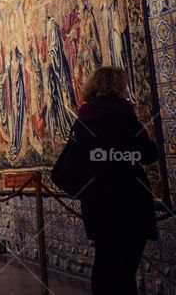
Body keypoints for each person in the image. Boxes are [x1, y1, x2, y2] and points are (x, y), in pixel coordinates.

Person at [53, 67, 159, 295]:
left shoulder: (84, 121)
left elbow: (65, 167)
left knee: (104, 262)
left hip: (99, 202)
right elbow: (150, 154)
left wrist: (87, 189)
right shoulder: (125, 116)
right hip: (132, 198)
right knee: (126, 269)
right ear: (119, 87)